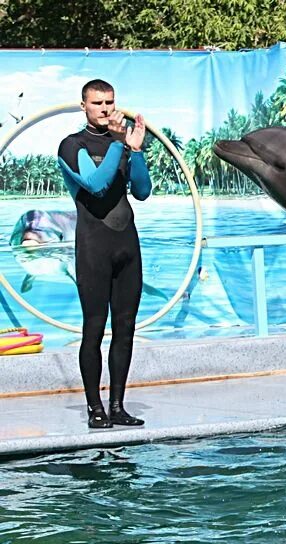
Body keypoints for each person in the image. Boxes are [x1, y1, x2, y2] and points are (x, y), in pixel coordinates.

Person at [57, 79, 151, 428]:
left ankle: (117, 405)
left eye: (110, 102)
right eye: (97, 103)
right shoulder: (71, 145)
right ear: (84, 106)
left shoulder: (122, 145)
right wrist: (117, 142)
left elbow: (141, 191)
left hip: (127, 246)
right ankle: (95, 407)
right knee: (94, 328)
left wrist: (136, 151)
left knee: (125, 327)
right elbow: (95, 185)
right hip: (94, 247)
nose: (105, 108)